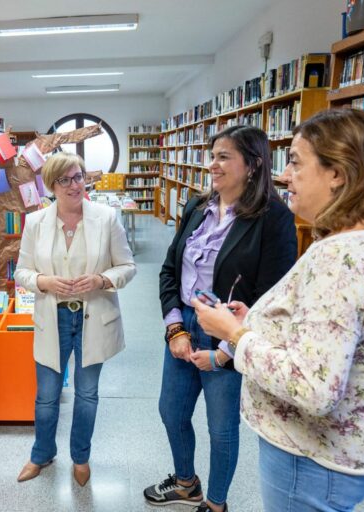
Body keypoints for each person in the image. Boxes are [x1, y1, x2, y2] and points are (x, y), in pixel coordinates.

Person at [192, 108, 364, 512]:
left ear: (338, 173)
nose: (284, 174)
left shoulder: (340, 259)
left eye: (296, 161)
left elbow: (313, 387)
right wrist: (257, 322)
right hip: (341, 451)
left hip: (311, 457)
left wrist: (235, 335)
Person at [144, 125, 297, 512]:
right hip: (185, 327)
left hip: (232, 334)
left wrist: (226, 352)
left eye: (224, 156)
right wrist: (175, 327)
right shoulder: (197, 207)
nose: (213, 165)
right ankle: (185, 483)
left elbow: (271, 300)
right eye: (212, 156)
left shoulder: (274, 218)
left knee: (221, 428)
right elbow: (169, 271)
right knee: (171, 410)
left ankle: (215, 504)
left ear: (253, 164)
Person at [14, 152, 136, 486]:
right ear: (51, 186)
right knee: (47, 396)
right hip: (52, 317)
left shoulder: (106, 218)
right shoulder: (36, 222)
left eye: (79, 176)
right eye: (65, 179)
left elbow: (127, 266)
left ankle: (80, 456)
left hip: (92, 317)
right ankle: (41, 454)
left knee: (86, 395)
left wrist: (101, 280)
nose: (74, 185)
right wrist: (43, 282)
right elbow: (22, 271)